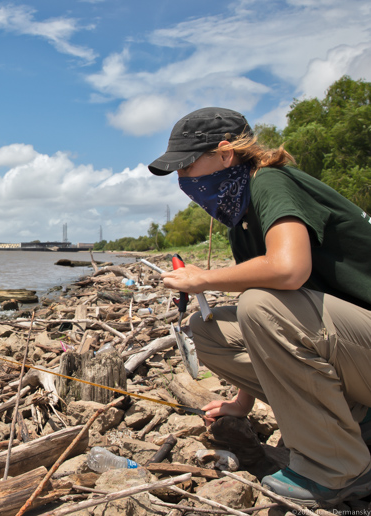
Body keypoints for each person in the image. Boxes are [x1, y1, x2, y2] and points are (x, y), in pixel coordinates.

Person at [149, 107, 371, 507]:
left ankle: (338, 470)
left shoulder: (270, 181)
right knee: (208, 328)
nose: (182, 180)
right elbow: (268, 329)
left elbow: (289, 271)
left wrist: (202, 279)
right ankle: (355, 419)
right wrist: (241, 403)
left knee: (258, 305)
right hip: (354, 349)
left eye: (186, 167)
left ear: (225, 153)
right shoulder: (243, 218)